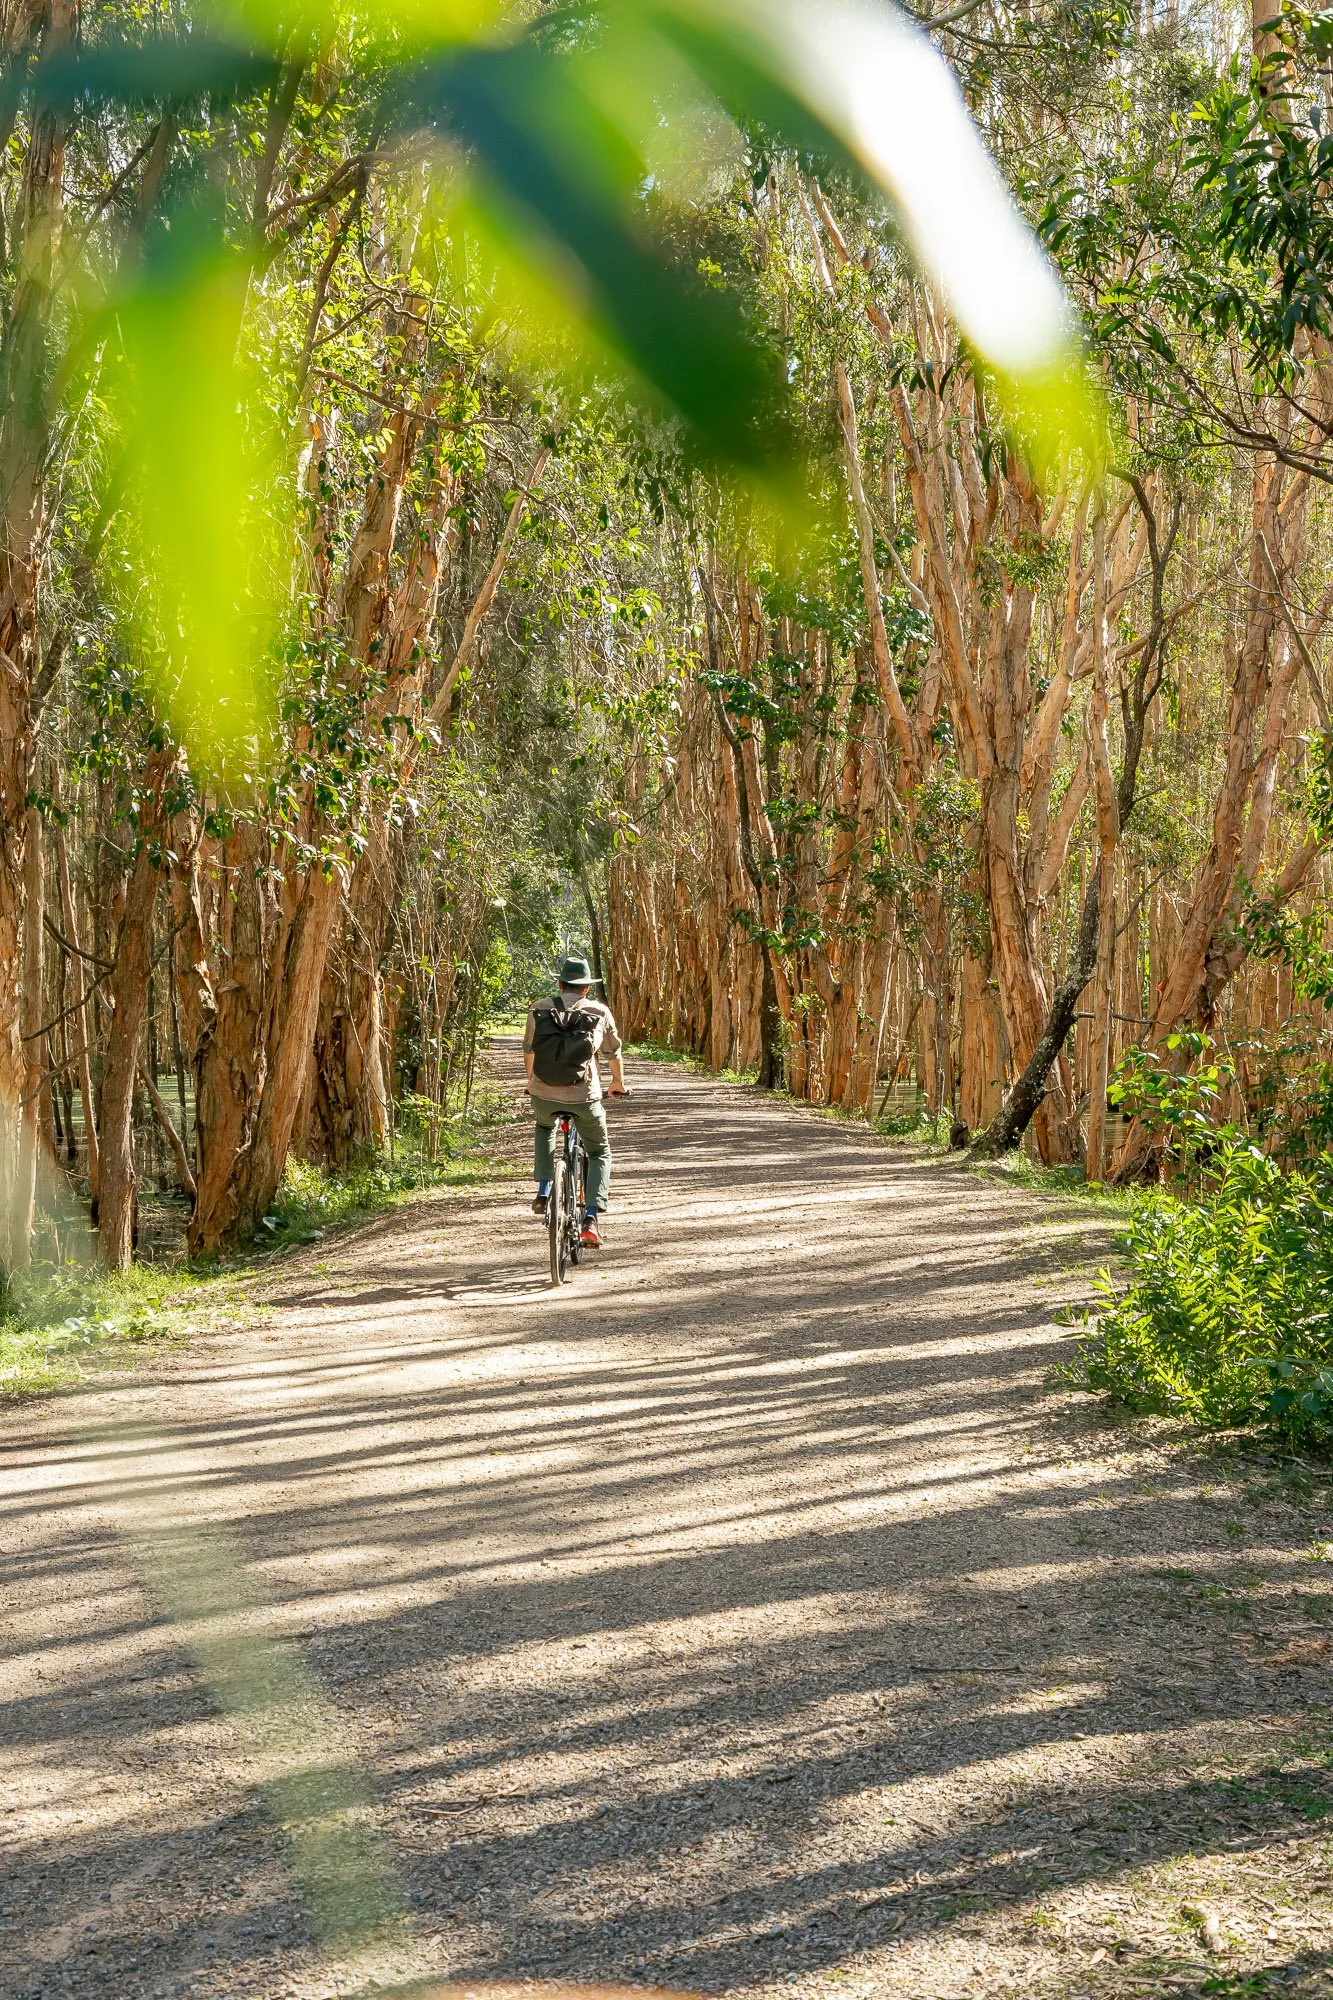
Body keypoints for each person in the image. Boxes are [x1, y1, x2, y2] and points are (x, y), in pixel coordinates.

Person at [524, 956, 629, 1248]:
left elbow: (529, 1049)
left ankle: (544, 1190)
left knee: (545, 1128)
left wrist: (530, 1082)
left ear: (559, 984)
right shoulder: (599, 1011)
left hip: (544, 1095)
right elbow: (613, 1054)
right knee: (599, 1151)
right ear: (585, 988)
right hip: (585, 1098)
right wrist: (617, 1083)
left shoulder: (539, 1008)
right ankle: (591, 1220)